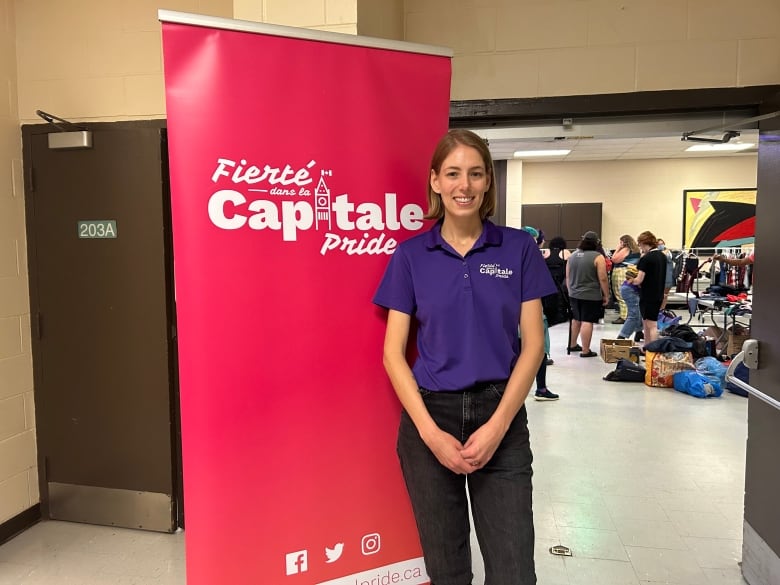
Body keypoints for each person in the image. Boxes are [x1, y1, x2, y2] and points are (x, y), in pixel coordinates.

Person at [373, 129, 556, 584]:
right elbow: (393, 354)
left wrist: (497, 427)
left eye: (476, 174)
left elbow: (533, 345)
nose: (464, 185)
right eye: (453, 173)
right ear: (435, 181)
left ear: (488, 182)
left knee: (514, 571)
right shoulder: (412, 256)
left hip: (501, 413)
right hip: (430, 417)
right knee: (447, 571)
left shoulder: (517, 249)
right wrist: (431, 436)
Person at [522, 226, 559, 401]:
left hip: (511, 315)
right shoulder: (535, 259)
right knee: (539, 350)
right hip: (533, 313)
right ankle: (541, 388)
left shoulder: (508, 256)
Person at [566, 231, 610, 357]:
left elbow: (568, 277)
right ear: (596, 243)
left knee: (576, 319)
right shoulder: (597, 257)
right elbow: (602, 278)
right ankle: (585, 350)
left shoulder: (573, 255)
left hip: (574, 294)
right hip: (590, 295)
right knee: (587, 320)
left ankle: (572, 344)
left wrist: (570, 291)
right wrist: (606, 295)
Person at [628, 231, 667, 345]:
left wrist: (631, 280)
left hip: (647, 294)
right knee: (647, 323)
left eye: (639, 244)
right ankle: (647, 347)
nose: (640, 247)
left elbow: (639, 280)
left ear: (644, 243)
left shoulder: (646, 258)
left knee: (651, 324)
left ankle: (653, 350)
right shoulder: (662, 256)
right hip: (658, 293)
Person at [609, 235, 640, 324]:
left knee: (620, 294)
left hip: (621, 271)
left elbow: (614, 259)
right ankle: (629, 315)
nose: (620, 244)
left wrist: (617, 249)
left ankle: (624, 316)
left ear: (624, 242)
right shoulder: (636, 250)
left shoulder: (626, 249)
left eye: (620, 242)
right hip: (630, 271)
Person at [616, 264, 642, 341]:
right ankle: (621, 336)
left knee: (639, 312)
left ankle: (639, 333)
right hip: (630, 290)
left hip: (628, 289)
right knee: (634, 314)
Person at [657, 238, 675, 310]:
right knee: (659, 295)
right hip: (658, 277)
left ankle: (662, 309)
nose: (661, 245)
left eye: (662, 244)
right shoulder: (656, 253)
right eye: (658, 244)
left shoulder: (669, 253)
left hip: (668, 276)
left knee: (665, 295)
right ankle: (658, 309)